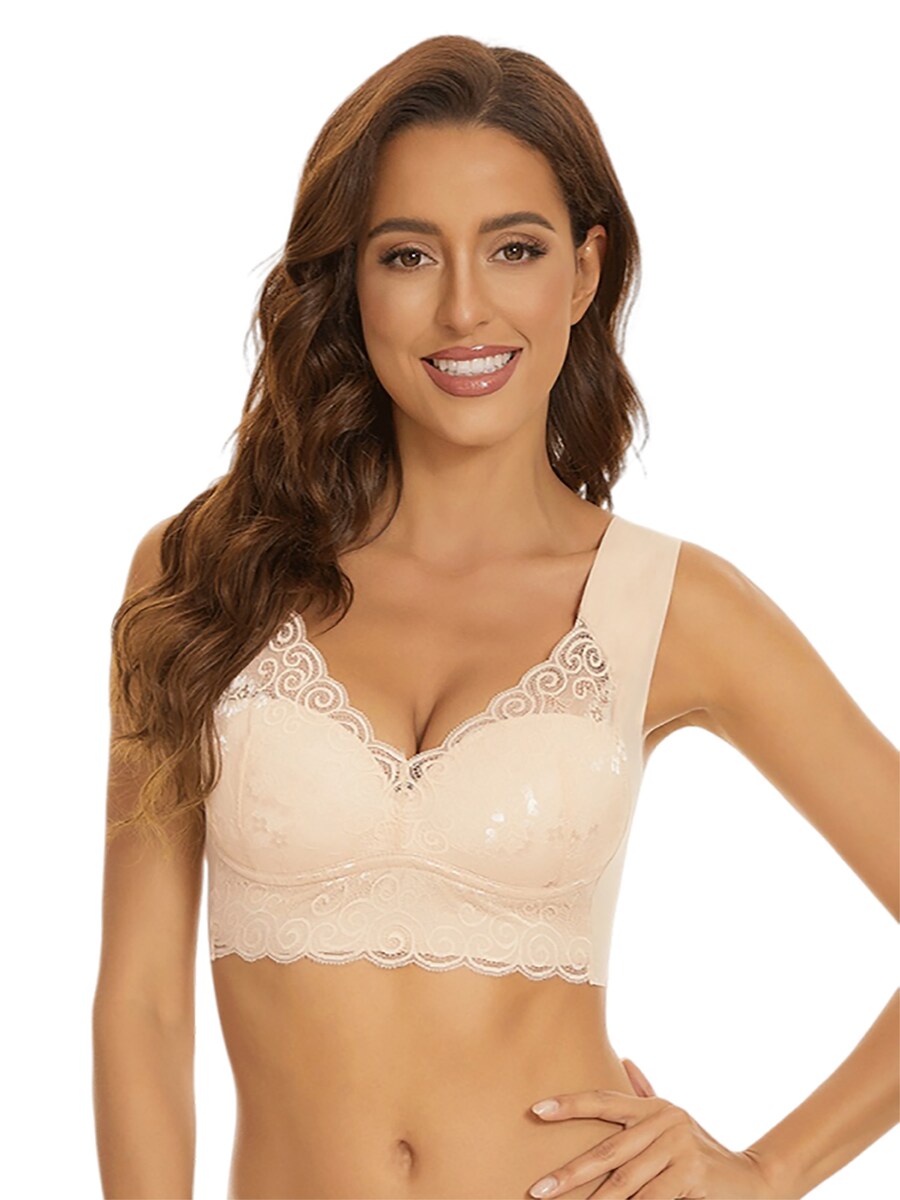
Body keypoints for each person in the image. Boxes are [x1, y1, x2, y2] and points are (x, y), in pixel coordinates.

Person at [91, 33, 898, 1200]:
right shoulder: (201, 574)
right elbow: (142, 1003)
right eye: (409, 254)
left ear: (583, 272)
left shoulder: (672, 605)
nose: (465, 307)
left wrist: (770, 1172)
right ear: (348, 280)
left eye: (514, 248)